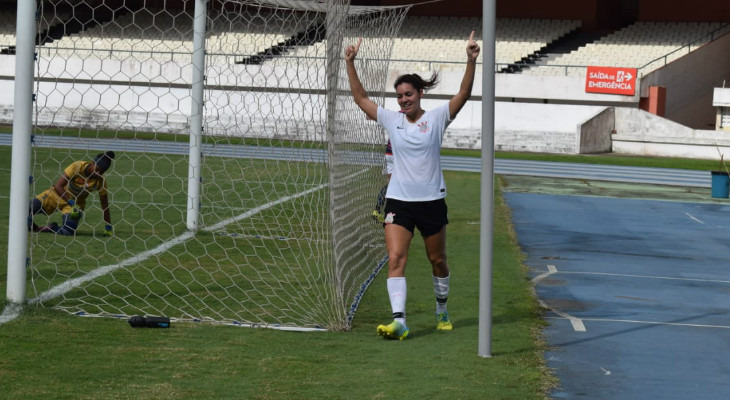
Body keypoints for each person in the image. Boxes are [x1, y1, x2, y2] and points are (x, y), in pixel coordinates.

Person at [345, 31, 480, 339]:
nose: (403, 100)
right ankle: (400, 321)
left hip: (432, 201)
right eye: (399, 96)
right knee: (395, 258)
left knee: (438, 261)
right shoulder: (391, 120)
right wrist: (350, 63)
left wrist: (471, 60)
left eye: (408, 94)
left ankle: (442, 309)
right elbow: (360, 99)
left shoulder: (436, 118)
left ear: (420, 93)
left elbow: (463, 93)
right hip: (399, 202)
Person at [29, 151, 116, 236]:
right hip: (56, 195)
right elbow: (58, 186)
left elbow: (105, 205)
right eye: (97, 169)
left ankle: (49, 228)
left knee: (68, 231)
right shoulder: (78, 166)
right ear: (92, 162)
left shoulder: (100, 181)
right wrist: (71, 202)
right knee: (24, 210)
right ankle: (34, 227)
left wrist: (108, 226)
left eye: (101, 172)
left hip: (76, 205)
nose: (98, 173)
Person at [372, 139, 393, 223]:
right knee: (393, 187)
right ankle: (389, 214)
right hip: (397, 156)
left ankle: (377, 210)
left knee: (390, 185)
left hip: (389, 154)